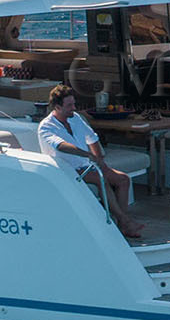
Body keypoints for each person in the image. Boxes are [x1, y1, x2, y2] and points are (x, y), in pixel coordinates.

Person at [38, 85, 143, 239]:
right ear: (57, 107)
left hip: (86, 166)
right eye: (69, 105)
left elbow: (92, 137)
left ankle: (122, 225)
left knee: (123, 179)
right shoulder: (46, 127)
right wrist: (87, 154)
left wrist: (99, 159)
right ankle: (124, 221)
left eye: (74, 104)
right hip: (67, 169)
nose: (74, 108)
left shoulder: (75, 118)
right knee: (101, 180)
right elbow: (60, 145)